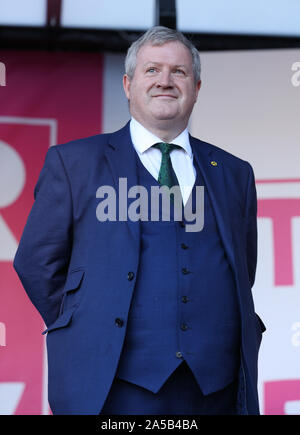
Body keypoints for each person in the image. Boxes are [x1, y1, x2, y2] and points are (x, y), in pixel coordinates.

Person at [13, 26, 265, 415]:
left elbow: (241, 270)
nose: (165, 81)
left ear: (197, 87)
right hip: (114, 390)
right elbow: (36, 261)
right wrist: (86, 324)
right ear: (128, 85)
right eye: (152, 70)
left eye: (178, 72)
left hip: (215, 389)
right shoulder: (74, 163)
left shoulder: (234, 173)